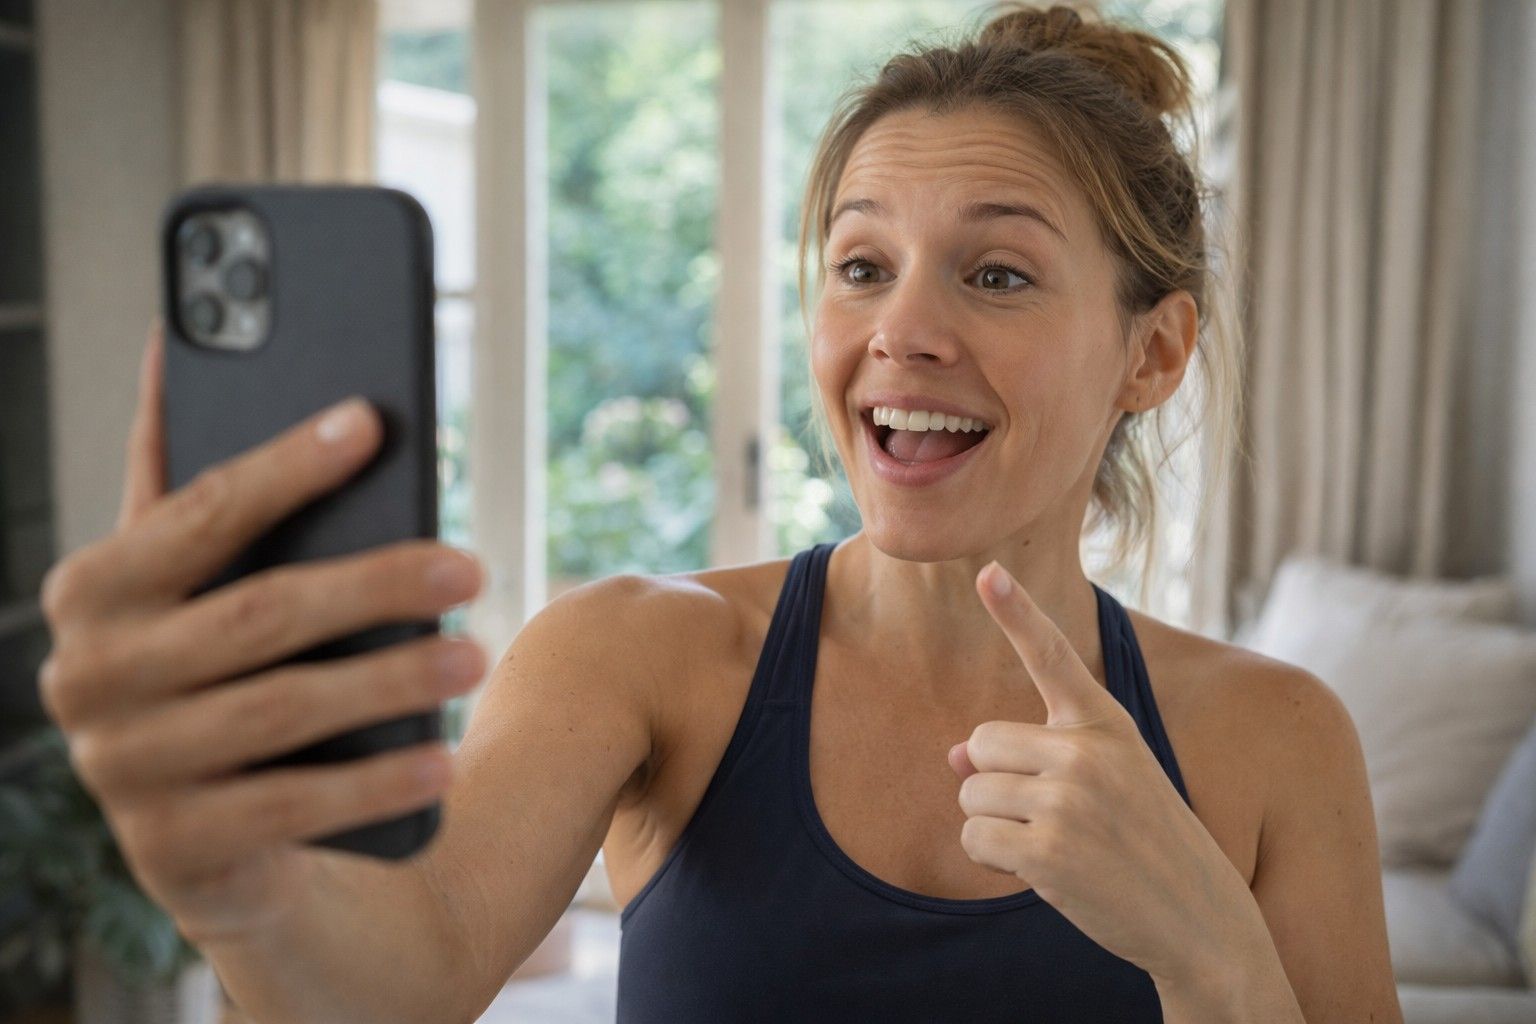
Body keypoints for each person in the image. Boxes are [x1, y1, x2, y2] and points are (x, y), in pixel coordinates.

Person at [37, 3, 1402, 1022]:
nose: (901, 329)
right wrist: (244, 885)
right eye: (861, 264)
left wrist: (1213, 962)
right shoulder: (640, 655)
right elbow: (393, 985)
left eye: (996, 275)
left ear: (1153, 354)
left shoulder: (1277, 742)